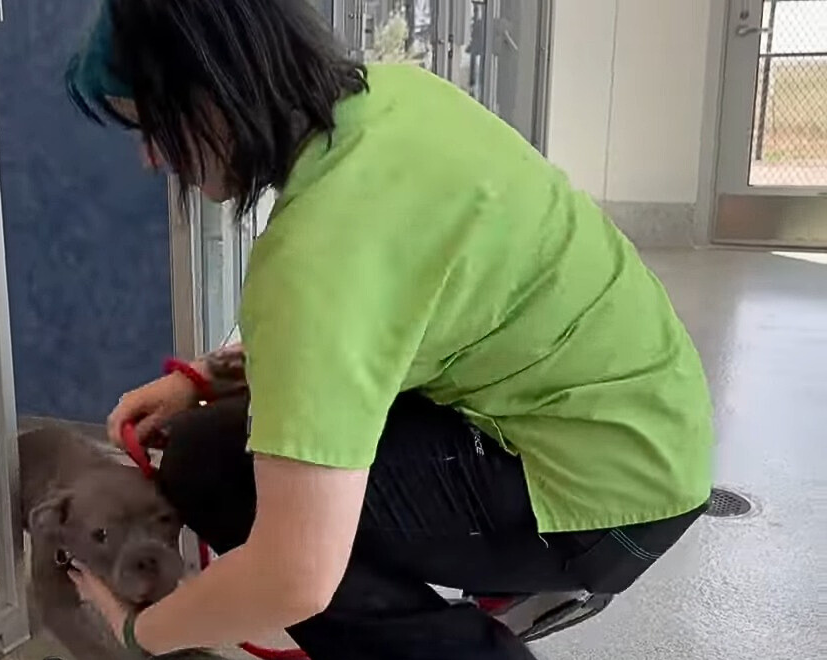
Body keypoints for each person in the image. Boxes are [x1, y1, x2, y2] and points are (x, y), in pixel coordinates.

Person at [64, 1, 714, 658]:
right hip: (653, 431)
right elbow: (382, 316)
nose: (151, 158)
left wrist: (136, 631)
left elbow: (292, 577)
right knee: (219, 436)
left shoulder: (315, 252)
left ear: (212, 89)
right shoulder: (395, 98)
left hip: (605, 500)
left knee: (214, 469)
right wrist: (208, 378)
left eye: (150, 125)